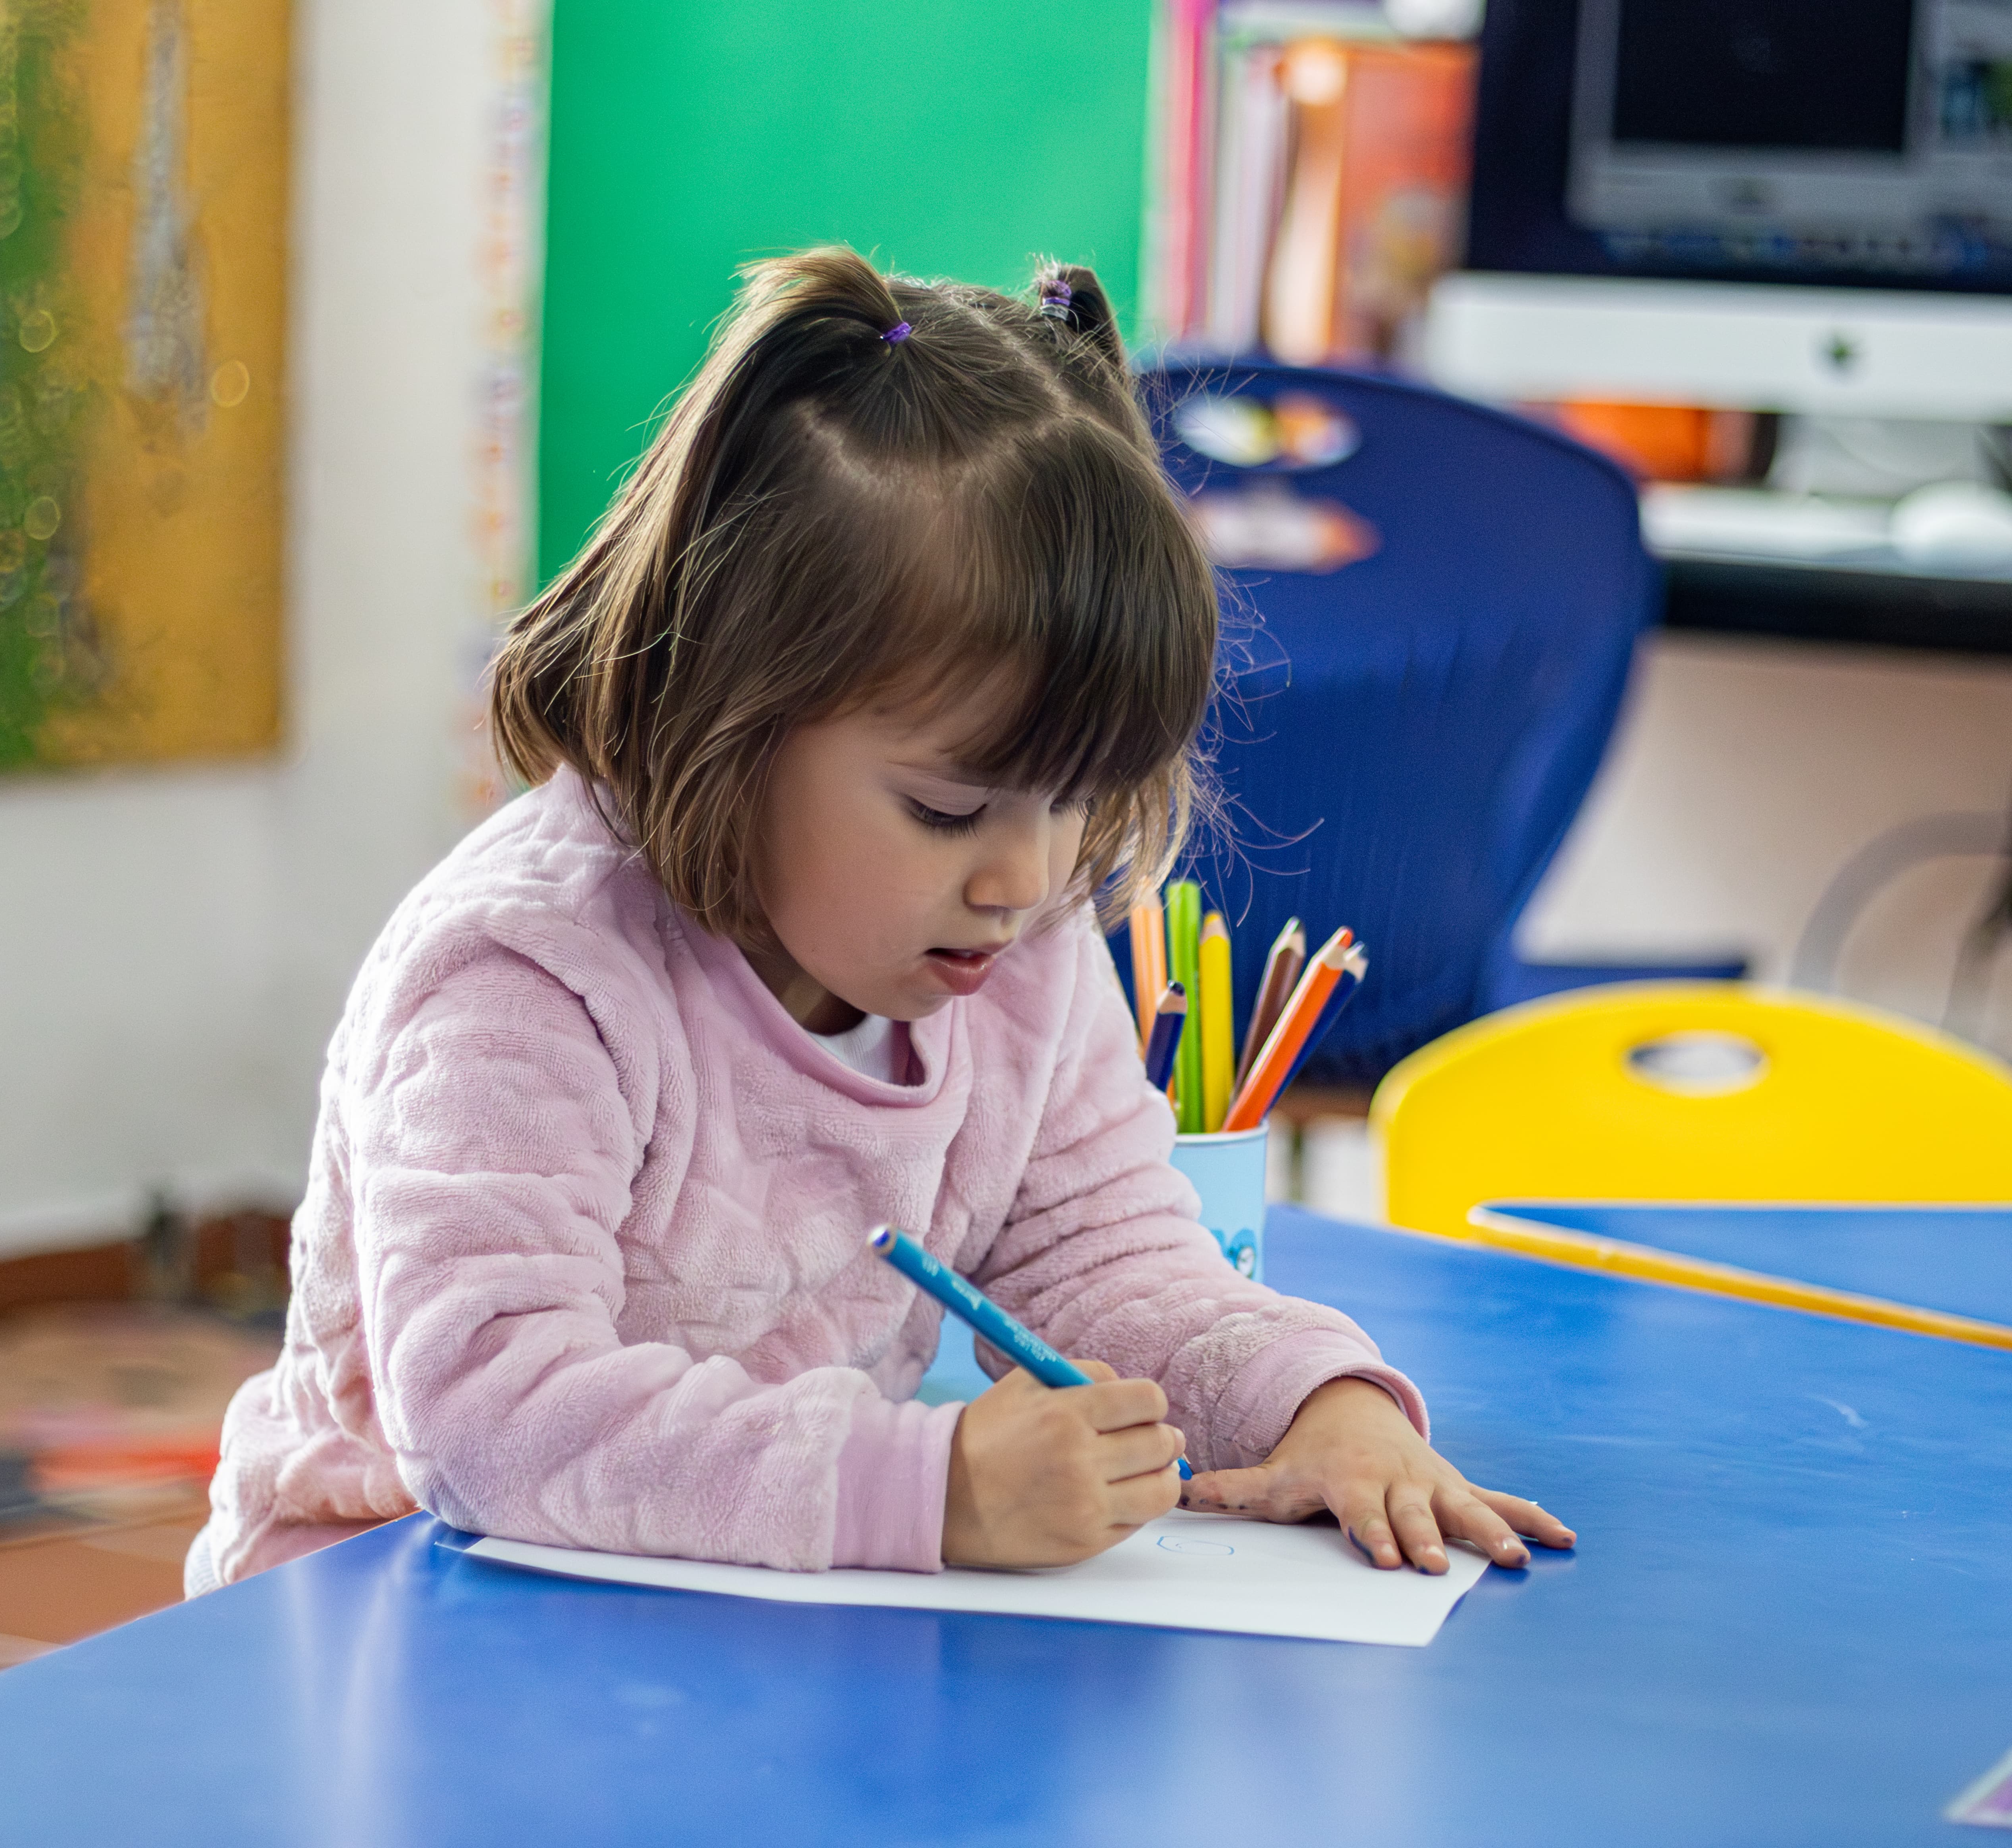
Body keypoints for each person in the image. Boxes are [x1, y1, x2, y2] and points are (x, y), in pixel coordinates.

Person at [187, 247, 1573, 1593]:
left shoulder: (1012, 956)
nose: (1026, 880)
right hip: (403, 1609)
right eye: (950, 807)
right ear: (726, 713)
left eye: (1077, 800)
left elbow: (1108, 1253)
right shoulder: (529, 978)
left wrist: (1317, 1406)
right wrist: (927, 1490)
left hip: (760, 1621)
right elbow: (490, 1414)